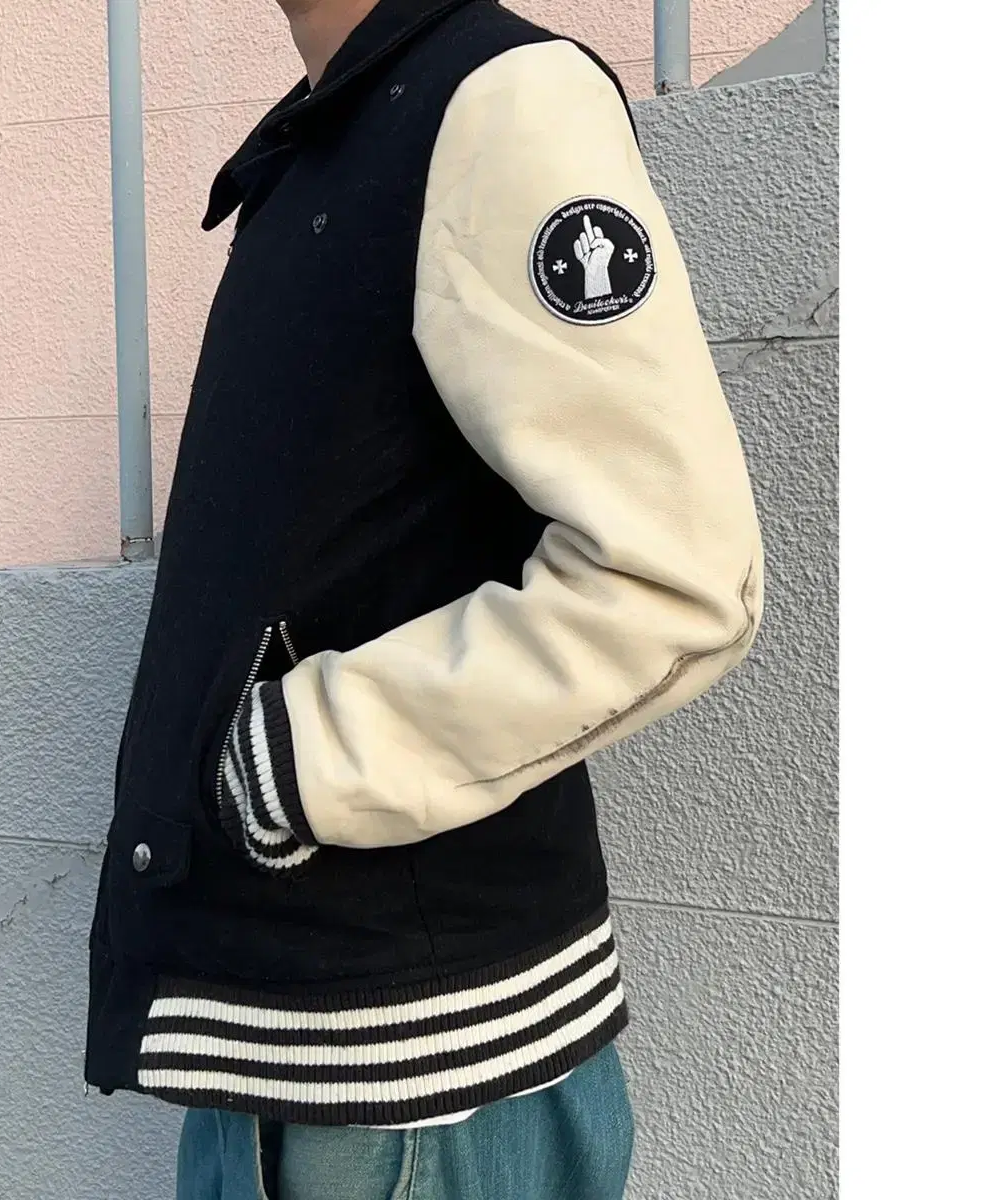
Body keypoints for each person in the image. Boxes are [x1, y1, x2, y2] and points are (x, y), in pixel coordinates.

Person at [84, 1, 765, 1196]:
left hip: (412, 1090)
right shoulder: (329, 139)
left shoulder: (499, 103)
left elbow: (672, 577)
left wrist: (301, 761)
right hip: (297, 1057)